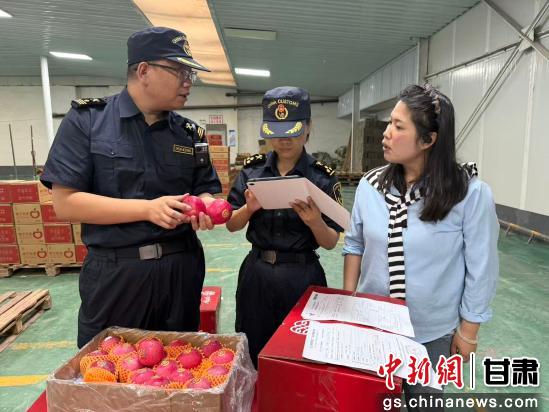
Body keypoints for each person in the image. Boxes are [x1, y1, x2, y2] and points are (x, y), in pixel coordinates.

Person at [40, 27, 221, 348]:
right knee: (108, 364)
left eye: (190, 74)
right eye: (179, 72)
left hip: (180, 271)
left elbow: (206, 189)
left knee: (178, 363)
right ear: (144, 71)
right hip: (117, 273)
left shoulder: (190, 134)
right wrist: (148, 209)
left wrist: (206, 205)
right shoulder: (88, 121)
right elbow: (65, 203)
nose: (188, 82)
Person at [343, 84, 499, 410]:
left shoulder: (468, 194)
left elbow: (481, 267)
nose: (386, 133)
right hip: (374, 327)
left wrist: (468, 331)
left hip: (431, 335)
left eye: (399, 127)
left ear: (428, 140)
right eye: (390, 123)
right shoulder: (371, 187)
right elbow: (354, 244)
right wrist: (348, 304)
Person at [226, 86, 344, 367]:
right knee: (252, 349)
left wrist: (315, 222)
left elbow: (330, 241)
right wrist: (248, 209)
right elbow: (231, 224)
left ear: (308, 127)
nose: (284, 140)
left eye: (292, 131)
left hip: (302, 276)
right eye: (276, 132)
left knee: (301, 352)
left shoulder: (322, 177)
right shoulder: (252, 171)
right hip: (257, 274)